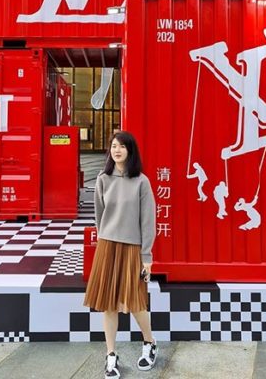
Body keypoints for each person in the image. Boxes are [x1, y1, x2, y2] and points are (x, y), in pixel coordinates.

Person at [84, 131, 157, 379]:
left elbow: (148, 221)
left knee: (135, 302)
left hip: (132, 248)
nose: (117, 150)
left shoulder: (141, 182)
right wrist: (105, 237)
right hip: (107, 246)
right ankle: (111, 355)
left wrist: (146, 256)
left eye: (122, 146)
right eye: (113, 146)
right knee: (107, 304)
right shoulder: (103, 179)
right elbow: (99, 215)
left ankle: (150, 343)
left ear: (130, 151)